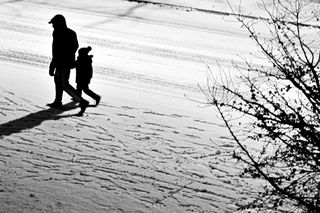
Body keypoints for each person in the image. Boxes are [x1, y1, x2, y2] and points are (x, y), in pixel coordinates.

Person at [47, 14, 89, 115]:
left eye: (53, 24)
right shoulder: (60, 32)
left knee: (63, 83)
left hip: (63, 63)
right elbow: (59, 49)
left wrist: (58, 61)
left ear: (58, 23)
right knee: (58, 81)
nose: (52, 26)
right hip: (61, 61)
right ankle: (58, 101)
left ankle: (82, 101)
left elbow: (67, 48)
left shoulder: (65, 33)